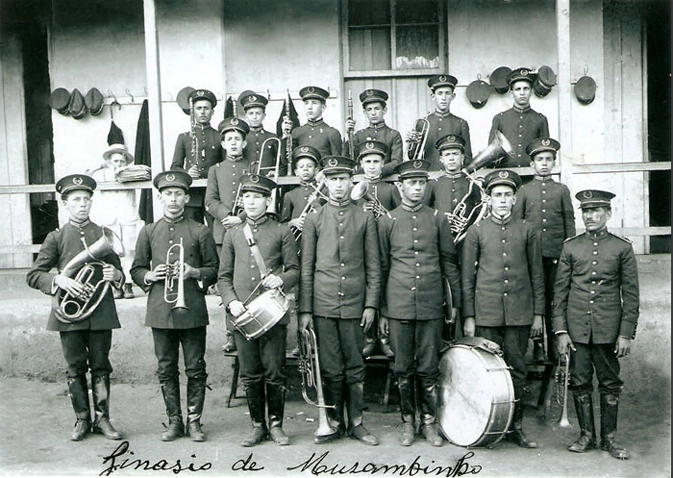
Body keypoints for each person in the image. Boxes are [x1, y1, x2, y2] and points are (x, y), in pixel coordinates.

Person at [27, 174, 124, 442]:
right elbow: (35, 274)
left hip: (100, 311)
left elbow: (119, 271)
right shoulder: (56, 237)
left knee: (101, 365)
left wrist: (114, 275)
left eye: (86, 200)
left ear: (91, 202)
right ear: (65, 204)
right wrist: (60, 279)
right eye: (76, 200)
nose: (82, 204)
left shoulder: (101, 234)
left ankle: (103, 419)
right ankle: (82, 419)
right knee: (75, 367)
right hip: (68, 314)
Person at [378, 159, 462, 447]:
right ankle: (408, 421)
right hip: (398, 302)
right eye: (411, 183)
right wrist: (382, 311)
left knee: (428, 366)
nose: (416, 188)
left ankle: (429, 423)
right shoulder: (386, 221)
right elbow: (382, 267)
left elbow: (449, 262)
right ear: (400, 186)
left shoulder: (438, 218)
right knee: (403, 366)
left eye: (421, 183)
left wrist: (455, 304)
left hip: (430, 303)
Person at [130, 170, 218, 442]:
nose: (173, 199)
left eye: (178, 194)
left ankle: (195, 422)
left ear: (186, 197)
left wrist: (194, 272)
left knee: (195, 366)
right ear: (159, 197)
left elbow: (213, 269)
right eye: (168, 194)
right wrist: (148, 276)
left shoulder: (200, 230)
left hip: (191, 308)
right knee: (166, 367)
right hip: (160, 309)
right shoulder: (148, 231)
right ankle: (174, 421)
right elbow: (136, 269)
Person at [299, 155, 380, 446]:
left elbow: (374, 265)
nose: (338, 185)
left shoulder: (365, 216)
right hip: (323, 303)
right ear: (325, 183)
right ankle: (334, 423)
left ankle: (357, 423)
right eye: (332, 180)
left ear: (351, 181)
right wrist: (305, 310)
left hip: (356, 303)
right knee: (330, 366)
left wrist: (371, 304)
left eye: (343, 179)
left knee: (355, 365)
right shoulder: (315, 217)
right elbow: (306, 267)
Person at [553, 189, 639, 460]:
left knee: (609, 382)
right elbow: (560, 293)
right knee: (579, 382)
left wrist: (625, 333)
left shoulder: (622, 247)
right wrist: (561, 331)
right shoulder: (571, 246)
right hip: (576, 329)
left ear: (608, 213)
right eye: (585, 212)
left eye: (595, 211)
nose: (589, 216)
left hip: (608, 329)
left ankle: (609, 439)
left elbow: (632, 294)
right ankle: (586, 435)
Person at [461, 169, 544, 448]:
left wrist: (538, 314)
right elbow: (467, 279)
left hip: (519, 313)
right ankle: (486, 425)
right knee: (487, 371)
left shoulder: (528, 230)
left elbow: (537, 275)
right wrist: (469, 316)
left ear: (514, 198)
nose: (503, 200)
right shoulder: (477, 231)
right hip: (487, 313)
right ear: (489, 198)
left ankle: (515, 428)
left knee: (517, 369)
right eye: (497, 195)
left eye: (508, 195)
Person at [218, 174, 299, 447]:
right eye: (247, 197)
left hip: (273, 313)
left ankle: (276, 425)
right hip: (242, 315)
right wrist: (231, 302)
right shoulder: (233, 233)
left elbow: (295, 270)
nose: (251, 202)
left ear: (268, 200)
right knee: (250, 372)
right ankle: (257, 425)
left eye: (257, 197)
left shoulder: (282, 230)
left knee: (275, 371)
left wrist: (282, 279)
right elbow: (223, 277)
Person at [515, 138, 575, 362]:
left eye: (548, 159)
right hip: (531, 257)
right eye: (539, 159)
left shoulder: (561, 190)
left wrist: (568, 250)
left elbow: (569, 221)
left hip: (555, 256)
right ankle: (538, 346)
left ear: (554, 162)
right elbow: (518, 223)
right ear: (532, 164)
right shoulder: (524, 190)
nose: (544, 164)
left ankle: (556, 349)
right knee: (534, 301)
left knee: (554, 300)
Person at [204, 117, 254, 353]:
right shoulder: (216, 170)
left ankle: (251, 325)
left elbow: (259, 199)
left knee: (247, 280)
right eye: (229, 139)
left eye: (237, 139)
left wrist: (242, 217)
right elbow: (210, 201)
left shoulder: (252, 168)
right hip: (223, 234)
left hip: (247, 231)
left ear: (244, 143)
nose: (233, 143)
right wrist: (228, 216)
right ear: (222, 144)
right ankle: (232, 331)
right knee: (228, 282)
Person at [354, 140, 399, 358]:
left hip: (387, 247)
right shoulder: (355, 191)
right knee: (367, 288)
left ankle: (385, 337)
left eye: (376, 162)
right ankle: (369, 336)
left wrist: (381, 213)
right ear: (361, 164)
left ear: (383, 164)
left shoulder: (390, 190)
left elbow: (398, 220)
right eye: (368, 162)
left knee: (387, 289)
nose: (372, 166)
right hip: (364, 248)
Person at [88, 143, 142, 299]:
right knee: (111, 252)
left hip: (128, 218)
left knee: (129, 251)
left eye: (121, 161)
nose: (118, 165)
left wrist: (125, 170)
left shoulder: (131, 173)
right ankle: (115, 285)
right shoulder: (102, 174)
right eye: (115, 161)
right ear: (109, 162)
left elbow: (144, 174)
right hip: (109, 219)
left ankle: (128, 285)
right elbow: (88, 176)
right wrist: (99, 166)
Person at [170, 89, 222, 229]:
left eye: (206, 108)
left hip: (213, 196)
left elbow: (224, 166)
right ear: (192, 111)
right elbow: (175, 166)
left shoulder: (220, 137)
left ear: (212, 111)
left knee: (215, 234)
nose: (203, 112)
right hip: (192, 197)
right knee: (192, 235)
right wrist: (187, 173)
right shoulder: (184, 137)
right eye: (199, 108)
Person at [408, 75, 472, 171]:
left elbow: (467, 156)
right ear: (433, 97)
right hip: (429, 175)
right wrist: (411, 144)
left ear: (453, 96)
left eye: (447, 93)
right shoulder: (422, 123)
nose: (443, 98)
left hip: (451, 176)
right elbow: (412, 157)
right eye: (440, 93)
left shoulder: (460, 123)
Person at [488, 68, 549, 168]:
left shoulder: (540, 119)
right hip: (506, 176)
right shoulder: (500, 118)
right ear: (511, 93)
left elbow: (545, 152)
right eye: (518, 89)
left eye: (526, 89)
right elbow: (491, 154)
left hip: (531, 175)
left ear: (531, 91)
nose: (522, 93)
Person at [344, 89, 403, 177]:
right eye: (369, 109)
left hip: (386, 181)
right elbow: (348, 160)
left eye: (377, 109)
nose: (373, 113)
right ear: (365, 112)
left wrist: (376, 171)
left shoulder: (393, 135)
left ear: (384, 110)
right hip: (361, 181)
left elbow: (396, 162)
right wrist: (348, 134)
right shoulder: (359, 135)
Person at [281, 86, 342, 158]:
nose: (309, 107)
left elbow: (336, 164)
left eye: (314, 103)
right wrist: (285, 134)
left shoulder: (331, 133)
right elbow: (286, 161)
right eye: (306, 103)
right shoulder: (296, 132)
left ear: (323, 107)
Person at [279, 145, 324, 236]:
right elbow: (282, 224)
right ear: (296, 172)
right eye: (301, 167)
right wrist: (293, 222)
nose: (305, 169)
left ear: (316, 170)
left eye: (309, 166)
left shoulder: (323, 192)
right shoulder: (290, 195)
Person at [240, 92, 282, 176]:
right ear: (246, 116)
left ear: (264, 116)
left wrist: (277, 172)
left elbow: (281, 164)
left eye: (258, 113)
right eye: (251, 113)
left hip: (267, 180)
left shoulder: (272, 138)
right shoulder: (241, 138)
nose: (254, 117)